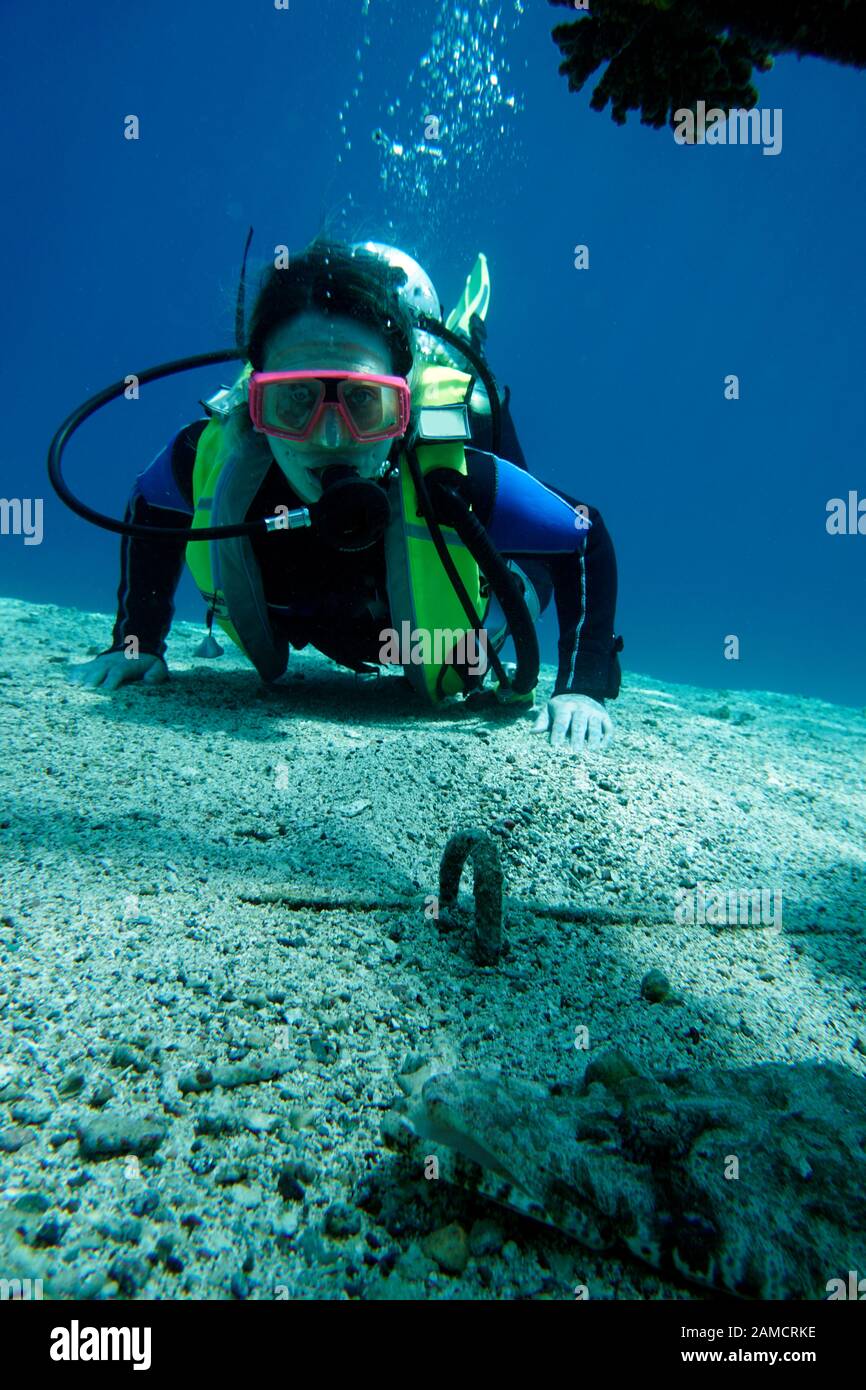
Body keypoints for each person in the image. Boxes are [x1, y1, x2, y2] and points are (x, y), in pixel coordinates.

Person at [69, 239, 622, 752]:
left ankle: (461, 340)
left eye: (363, 402)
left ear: (401, 412)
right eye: (293, 402)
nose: (329, 438)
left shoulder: (452, 483)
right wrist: (136, 640)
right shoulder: (208, 460)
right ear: (254, 407)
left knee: (511, 552)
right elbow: (153, 502)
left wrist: (583, 684)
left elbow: (583, 535)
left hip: (479, 593)